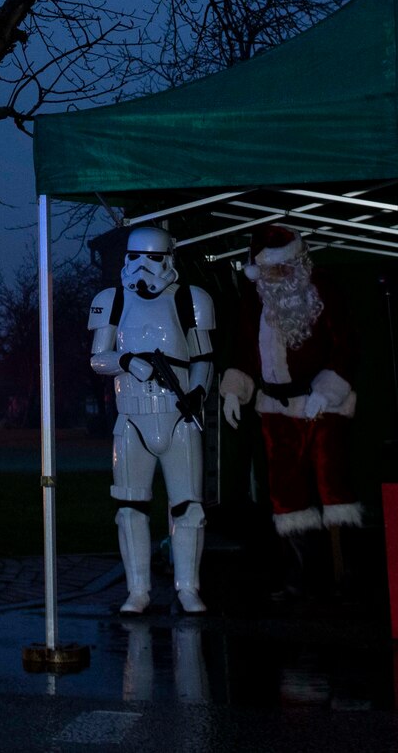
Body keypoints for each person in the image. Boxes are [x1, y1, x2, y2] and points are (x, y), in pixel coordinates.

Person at [219, 225, 361, 601]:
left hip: (320, 405)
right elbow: (244, 349)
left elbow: (346, 345)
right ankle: (299, 574)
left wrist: (327, 391)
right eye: (269, 269)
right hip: (275, 408)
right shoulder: (253, 299)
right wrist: (235, 390)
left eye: (283, 267)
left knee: (333, 486)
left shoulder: (323, 289)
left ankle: (344, 573)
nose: (277, 275)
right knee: (284, 492)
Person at [88, 224, 215, 614]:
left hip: (177, 417)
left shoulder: (191, 299)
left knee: (188, 507)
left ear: (168, 259)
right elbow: (98, 358)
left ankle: (187, 586)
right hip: (131, 419)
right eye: (135, 257)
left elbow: (203, 357)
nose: (143, 267)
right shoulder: (110, 301)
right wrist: (128, 361)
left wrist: (196, 394)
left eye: (153, 258)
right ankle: (137, 589)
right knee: (129, 508)